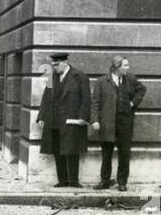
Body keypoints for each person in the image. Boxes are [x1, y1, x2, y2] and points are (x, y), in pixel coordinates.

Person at [91, 55, 146, 191]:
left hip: (125, 124)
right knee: (106, 155)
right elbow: (95, 103)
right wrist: (95, 120)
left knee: (124, 154)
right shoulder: (102, 82)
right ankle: (105, 181)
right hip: (107, 124)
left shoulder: (130, 79)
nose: (128, 68)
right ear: (117, 67)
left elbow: (142, 90)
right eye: (125, 66)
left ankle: (122, 182)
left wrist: (133, 102)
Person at [36, 52, 91, 188]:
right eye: (53, 65)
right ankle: (62, 180)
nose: (54, 68)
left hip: (71, 120)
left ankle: (73, 181)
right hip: (54, 120)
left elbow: (86, 99)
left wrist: (83, 118)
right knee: (57, 150)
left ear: (65, 62)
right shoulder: (52, 77)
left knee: (72, 150)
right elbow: (46, 97)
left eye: (56, 65)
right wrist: (41, 116)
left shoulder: (79, 77)